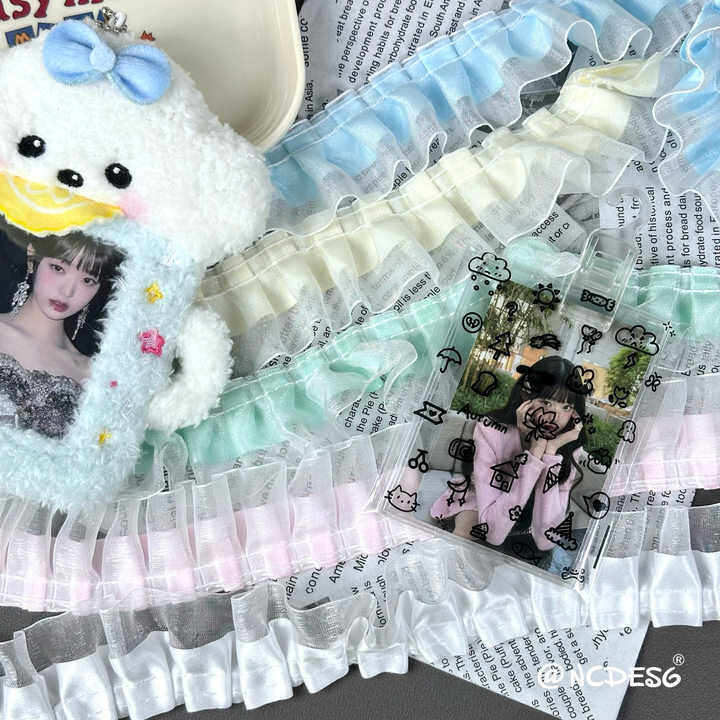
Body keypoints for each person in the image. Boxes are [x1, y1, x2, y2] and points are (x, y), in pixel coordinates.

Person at [430, 355, 586, 552]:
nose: (554, 417)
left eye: (566, 407)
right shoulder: (492, 430)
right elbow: (493, 534)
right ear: (526, 396)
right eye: (547, 402)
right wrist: (534, 453)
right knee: (465, 533)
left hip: (531, 514)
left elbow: (546, 540)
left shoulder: (569, 445)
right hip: (487, 502)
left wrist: (551, 453)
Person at [0, 230, 122, 438]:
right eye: (58, 268)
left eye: (87, 280)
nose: (67, 291)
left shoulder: (92, 375)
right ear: (33, 257)